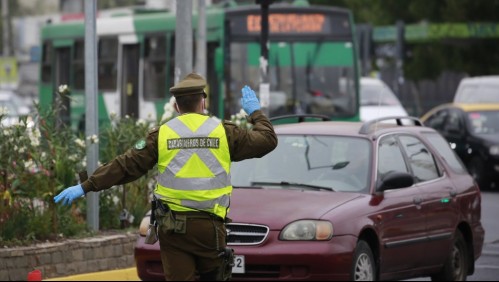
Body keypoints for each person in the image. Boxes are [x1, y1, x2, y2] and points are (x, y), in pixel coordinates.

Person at [53, 72, 278, 281]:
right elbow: (268, 140)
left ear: (176, 106)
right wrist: (255, 112)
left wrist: (86, 185)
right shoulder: (224, 132)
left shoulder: (162, 135)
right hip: (209, 229)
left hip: (174, 229)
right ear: (203, 102)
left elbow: (125, 165)